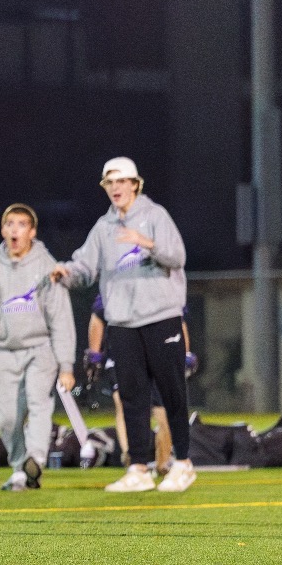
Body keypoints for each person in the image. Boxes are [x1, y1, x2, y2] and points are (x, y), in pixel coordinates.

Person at [52, 157, 196, 493]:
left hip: (161, 317)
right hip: (122, 323)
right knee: (131, 397)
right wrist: (65, 273)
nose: (115, 188)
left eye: (121, 181)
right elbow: (85, 268)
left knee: (172, 393)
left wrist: (147, 243)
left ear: (134, 184)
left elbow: (177, 257)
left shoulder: (156, 215)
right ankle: (138, 468)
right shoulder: (103, 227)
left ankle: (184, 463)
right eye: (109, 183)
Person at [0, 203, 76, 491]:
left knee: (39, 404)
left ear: (32, 232)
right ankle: (20, 469)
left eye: (22, 224)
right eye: (9, 224)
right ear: (2, 230)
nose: (15, 230)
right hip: (4, 353)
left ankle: (35, 459)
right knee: (8, 418)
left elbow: (60, 317)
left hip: (41, 349)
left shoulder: (47, 266)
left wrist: (66, 365)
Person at [83, 298, 185, 473]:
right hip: (123, 350)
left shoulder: (164, 288)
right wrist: (94, 352)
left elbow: (179, 321)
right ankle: (130, 457)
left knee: (163, 410)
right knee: (124, 402)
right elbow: (98, 317)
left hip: (158, 352)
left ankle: (163, 462)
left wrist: (185, 352)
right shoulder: (117, 286)